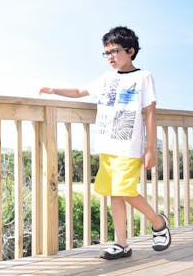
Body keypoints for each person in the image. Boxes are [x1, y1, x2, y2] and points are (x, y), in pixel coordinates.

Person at [39, 26, 171, 259]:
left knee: (125, 190)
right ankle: (122, 244)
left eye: (115, 51)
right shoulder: (106, 78)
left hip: (129, 147)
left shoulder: (143, 77)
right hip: (107, 146)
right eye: (106, 53)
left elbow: (150, 112)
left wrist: (151, 149)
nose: (110, 57)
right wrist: (54, 90)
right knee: (114, 194)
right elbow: (80, 91)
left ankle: (158, 222)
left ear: (130, 51)